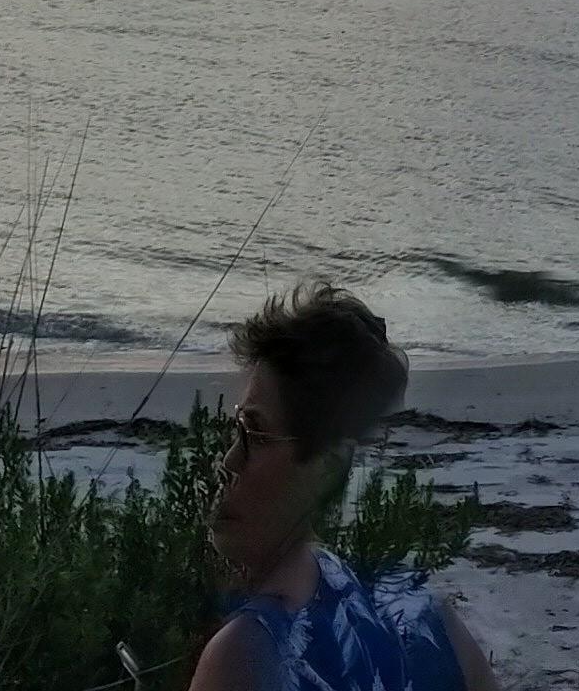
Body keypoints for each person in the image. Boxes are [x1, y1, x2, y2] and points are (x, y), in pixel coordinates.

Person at [192, 282, 499, 691]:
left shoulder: (248, 652)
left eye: (257, 432)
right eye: (237, 429)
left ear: (328, 467)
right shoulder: (428, 618)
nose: (229, 460)